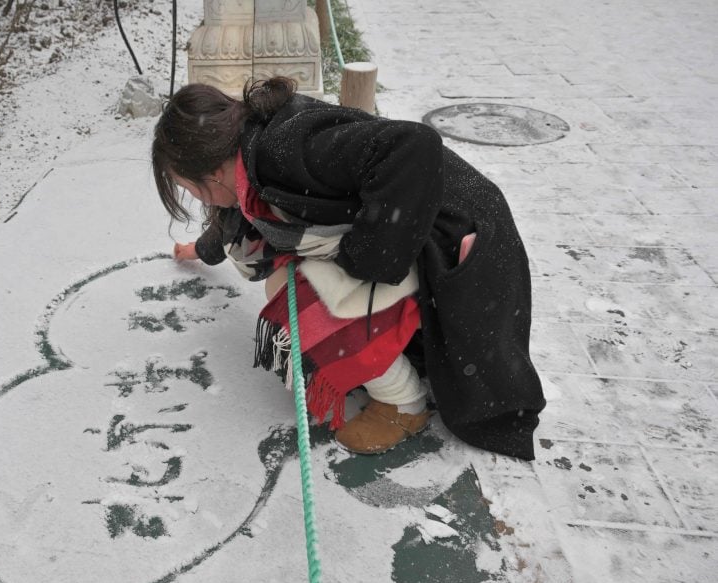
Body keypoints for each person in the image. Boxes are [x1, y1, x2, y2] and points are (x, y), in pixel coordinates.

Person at [152, 77, 546, 460]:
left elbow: (414, 145)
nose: (196, 198)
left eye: (190, 189)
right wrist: (202, 250)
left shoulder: (284, 149)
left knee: (301, 294)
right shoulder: (251, 147)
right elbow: (232, 215)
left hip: (458, 243)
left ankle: (402, 404)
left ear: (214, 171)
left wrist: (367, 260)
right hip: (422, 232)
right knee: (297, 276)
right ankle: (385, 347)